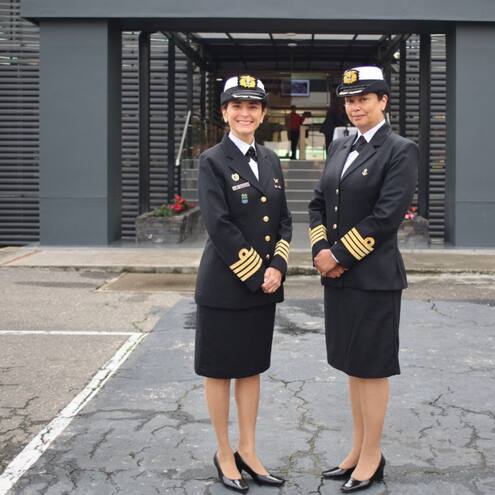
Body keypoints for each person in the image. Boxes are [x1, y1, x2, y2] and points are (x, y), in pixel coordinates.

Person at [308, 66, 418, 493]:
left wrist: (338, 255)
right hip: (338, 278)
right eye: (349, 100)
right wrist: (320, 249)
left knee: (371, 370)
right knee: (352, 367)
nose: (354, 106)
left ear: (383, 101)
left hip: (373, 279)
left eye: (363, 99)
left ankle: (373, 456)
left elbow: (386, 217)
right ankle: (357, 450)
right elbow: (318, 203)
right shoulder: (340, 147)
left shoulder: (399, 150)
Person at [195, 74, 292, 493]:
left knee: (251, 369)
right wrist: (257, 272)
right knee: (220, 372)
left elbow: (285, 219)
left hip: (263, 285)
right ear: (224, 113)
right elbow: (218, 224)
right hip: (225, 284)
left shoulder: (270, 159)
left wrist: (279, 266)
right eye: (236, 106)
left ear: (264, 114)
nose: (245, 113)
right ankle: (223, 453)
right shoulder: (212, 161)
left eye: (253, 106)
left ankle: (248, 451)